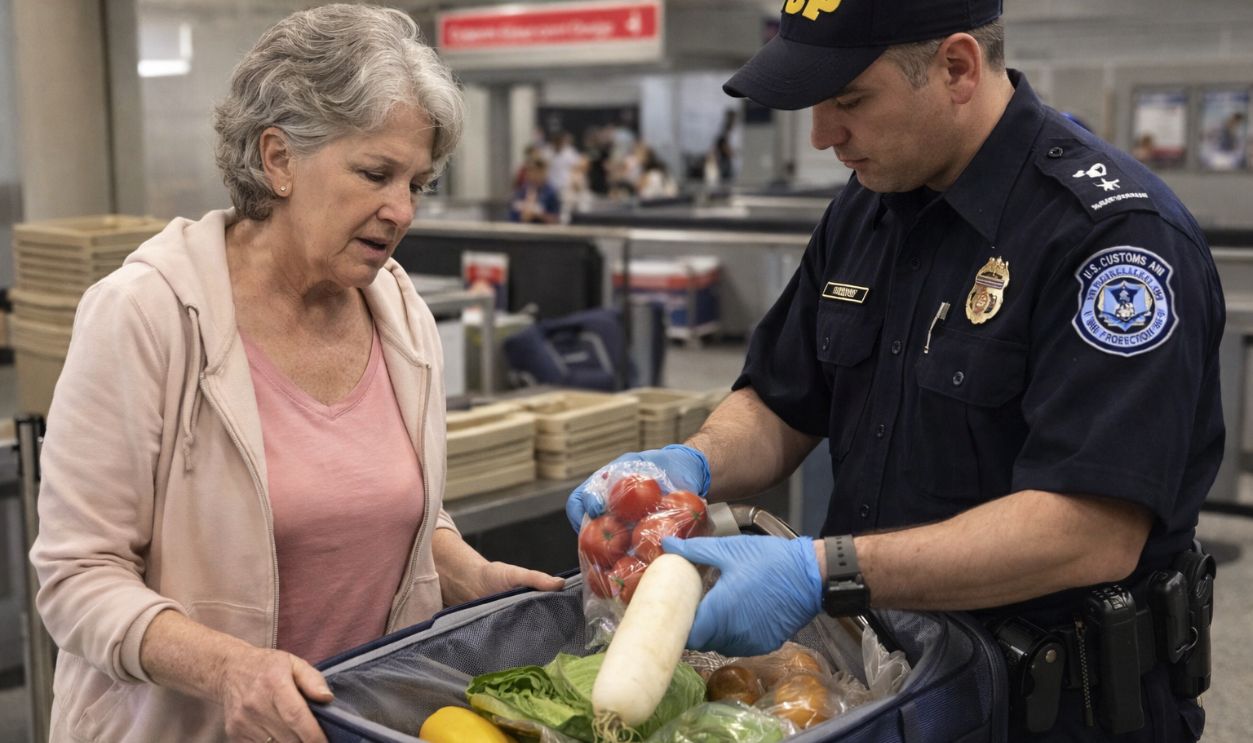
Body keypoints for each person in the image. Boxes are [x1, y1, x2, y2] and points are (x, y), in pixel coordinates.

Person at [567, 1, 1221, 741]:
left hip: (1052, 709)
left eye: (848, 100)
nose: (821, 135)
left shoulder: (1110, 240)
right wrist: (684, 468)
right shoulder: (869, 209)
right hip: (884, 686)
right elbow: (781, 403)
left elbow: (1087, 529)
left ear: (956, 68)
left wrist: (820, 570)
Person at [30, 6, 563, 742]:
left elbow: (383, 511)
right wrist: (231, 668)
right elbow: (76, 580)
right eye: (376, 173)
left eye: (419, 183)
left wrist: (470, 573)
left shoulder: (398, 309)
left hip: (368, 722)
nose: (402, 210)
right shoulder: (146, 315)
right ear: (277, 158)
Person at [508, 157, 562, 224]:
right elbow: (512, 215)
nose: (532, 175)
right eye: (530, 171)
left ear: (543, 172)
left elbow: (556, 220)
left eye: (536, 171)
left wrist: (537, 215)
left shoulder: (551, 192)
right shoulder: (522, 190)